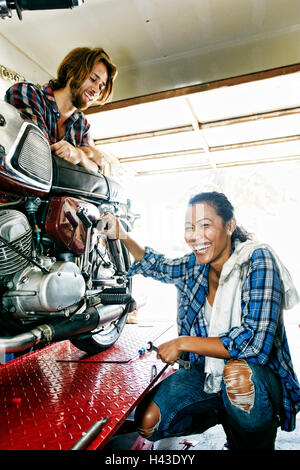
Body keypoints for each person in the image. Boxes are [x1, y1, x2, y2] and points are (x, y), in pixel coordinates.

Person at [98, 191, 300, 450]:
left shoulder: (256, 259)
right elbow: (157, 265)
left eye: (205, 225)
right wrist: (122, 234)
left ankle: (252, 439)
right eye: (189, 228)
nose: (195, 236)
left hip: (254, 377)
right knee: (147, 422)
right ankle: (223, 412)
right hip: (205, 373)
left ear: (229, 225)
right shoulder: (196, 265)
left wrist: (184, 343)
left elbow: (254, 343)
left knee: (238, 377)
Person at [4, 47, 117, 174]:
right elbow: (37, 154)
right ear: (72, 71)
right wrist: (88, 154)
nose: (96, 90)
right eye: (93, 79)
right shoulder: (27, 93)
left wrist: (80, 156)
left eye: (101, 87)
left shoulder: (82, 125)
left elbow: (95, 172)